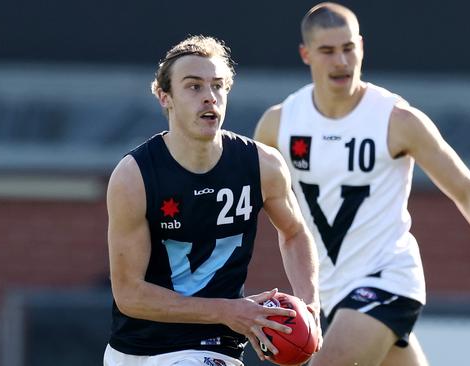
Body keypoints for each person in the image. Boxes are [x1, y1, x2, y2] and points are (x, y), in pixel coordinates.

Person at [254, 3, 470, 365]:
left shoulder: (396, 119)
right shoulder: (279, 123)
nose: (341, 61)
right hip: (330, 292)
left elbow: (466, 191)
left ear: (361, 46)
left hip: (387, 280)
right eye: (327, 51)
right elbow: (245, 206)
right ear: (306, 54)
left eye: (348, 48)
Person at [104, 35, 320, 366]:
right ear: (165, 97)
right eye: (194, 87)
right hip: (133, 351)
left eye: (218, 86)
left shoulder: (262, 165)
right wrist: (229, 310)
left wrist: (309, 306)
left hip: (211, 346)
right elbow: (129, 295)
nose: (209, 97)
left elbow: (294, 233)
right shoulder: (134, 176)